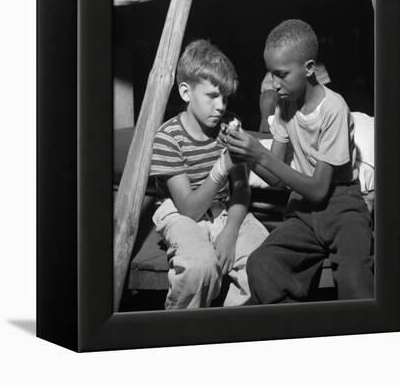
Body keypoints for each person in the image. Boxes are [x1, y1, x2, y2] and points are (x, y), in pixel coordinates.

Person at [225, 20, 374, 303]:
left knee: (356, 282)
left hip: (341, 206)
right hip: (302, 211)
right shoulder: (285, 105)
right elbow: (277, 179)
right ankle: (297, 329)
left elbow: (319, 188)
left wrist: (261, 154)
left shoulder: (333, 108)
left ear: (308, 69)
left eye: (281, 75)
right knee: (262, 264)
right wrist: (246, 155)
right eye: (271, 75)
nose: (274, 84)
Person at [150, 39, 269, 310]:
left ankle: (231, 332)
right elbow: (189, 210)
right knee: (199, 267)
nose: (221, 106)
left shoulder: (227, 127)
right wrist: (221, 166)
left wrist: (230, 231)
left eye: (225, 97)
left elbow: (241, 189)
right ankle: (185, 335)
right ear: (185, 92)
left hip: (225, 211)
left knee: (264, 260)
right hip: (181, 216)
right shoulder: (168, 138)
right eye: (212, 96)